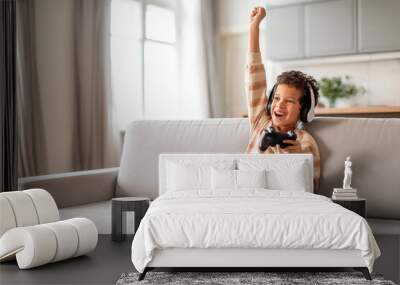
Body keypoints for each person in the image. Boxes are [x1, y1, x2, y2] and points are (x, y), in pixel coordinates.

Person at [245, 7, 321, 190]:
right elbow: (253, 74)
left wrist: (297, 158)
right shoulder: (260, 123)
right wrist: (254, 27)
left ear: (303, 110)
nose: (279, 105)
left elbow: (312, 187)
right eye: (277, 98)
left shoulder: (305, 141)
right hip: (246, 196)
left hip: (282, 202)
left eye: (289, 101)